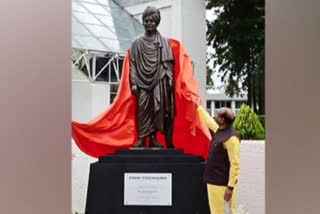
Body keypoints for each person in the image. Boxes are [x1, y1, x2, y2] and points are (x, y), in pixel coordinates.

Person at [130, 6, 175, 148]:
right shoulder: (137, 43)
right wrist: (134, 82)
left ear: (156, 23)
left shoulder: (163, 42)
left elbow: (168, 63)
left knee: (157, 108)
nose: (149, 24)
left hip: (158, 79)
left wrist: (169, 78)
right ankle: (142, 139)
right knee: (142, 109)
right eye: (146, 21)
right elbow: (133, 64)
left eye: (152, 21)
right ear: (143, 22)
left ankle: (154, 138)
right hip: (142, 82)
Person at [195, 99, 240, 214]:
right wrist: (198, 107)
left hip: (223, 187)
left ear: (223, 120)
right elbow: (209, 121)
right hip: (213, 183)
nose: (215, 116)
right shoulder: (220, 130)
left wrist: (230, 188)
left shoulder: (231, 138)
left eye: (217, 115)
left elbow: (235, 164)